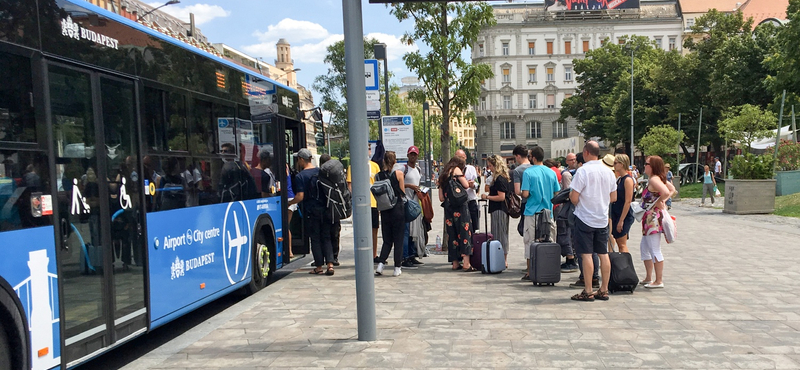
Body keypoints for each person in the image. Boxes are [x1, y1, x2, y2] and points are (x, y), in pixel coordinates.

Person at [569, 141, 617, 301]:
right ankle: (604, 289)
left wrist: (581, 203)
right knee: (603, 253)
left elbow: (574, 197)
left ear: (586, 152)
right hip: (602, 218)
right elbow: (614, 197)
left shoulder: (583, 172)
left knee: (587, 254)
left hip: (585, 217)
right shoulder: (609, 172)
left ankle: (588, 290)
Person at [290, 148, 335, 276]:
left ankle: (319, 267)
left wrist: (289, 203)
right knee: (326, 237)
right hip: (325, 209)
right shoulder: (320, 171)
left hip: (311, 211)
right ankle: (330, 265)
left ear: (300, 159)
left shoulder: (300, 176)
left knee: (315, 239)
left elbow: (300, 196)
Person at [520, 146, 560, 281]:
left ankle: (530, 271)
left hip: (532, 210)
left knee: (530, 241)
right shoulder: (551, 173)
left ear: (533, 157)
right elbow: (556, 193)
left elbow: (525, 193)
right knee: (549, 240)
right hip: (548, 212)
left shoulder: (528, 173)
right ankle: (549, 269)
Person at [640, 155, 676, 289]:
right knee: (645, 247)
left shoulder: (655, 179)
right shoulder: (656, 179)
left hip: (653, 218)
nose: (645, 166)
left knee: (654, 249)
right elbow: (671, 189)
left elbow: (667, 191)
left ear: (653, 166)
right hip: (650, 217)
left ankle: (658, 280)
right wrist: (661, 200)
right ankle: (649, 277)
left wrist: (659, 201)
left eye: (647, 164)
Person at [438, 156, 474, 271]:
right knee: (465, 231)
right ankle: (466, 263)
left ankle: (455, 263)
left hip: (448, 207)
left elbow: (441, 198)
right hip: (460, 206)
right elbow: (466, 185)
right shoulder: (456, 170)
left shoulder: (443, 175)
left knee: (452, 234)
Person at [347, 145, 382, 262]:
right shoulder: (353, 166)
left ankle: (374, 255)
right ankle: (361, 253)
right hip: (360, 203)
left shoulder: (375, 166)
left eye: (369, 148)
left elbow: (379, 184)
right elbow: (350, 185)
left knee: (374, 229)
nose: (368, 151)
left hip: (373, 202)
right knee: (360, 229)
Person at [375, 151, 407, 277]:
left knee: (387, 240)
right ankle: (397, 268)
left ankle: (381, 265)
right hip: (397, 209)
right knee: (398, 239)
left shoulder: (378, 175)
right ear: (395, 161)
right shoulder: (399, 173)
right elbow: (402, 193)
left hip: (384, 210)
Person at [481, 155, 511, 267]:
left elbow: (501, 197)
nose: (489, 168)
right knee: (500, 233)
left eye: (490, 166)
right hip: (498, 209)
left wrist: (487, 197)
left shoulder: (500, 179)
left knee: (500, 234)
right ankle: (501, 258)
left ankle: (503, 258)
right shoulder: (500, 177)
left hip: (499, 209)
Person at [399, 146, 426, 268]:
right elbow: (397, 185)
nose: (413, 156)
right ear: (408, 155)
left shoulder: (418, 170)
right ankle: (404, 257)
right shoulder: (403, 169)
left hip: (415, 203)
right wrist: (408, 185)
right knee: (405, 231)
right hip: (405, 203)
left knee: (413, 231)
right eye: (411, 154)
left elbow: (418, 184)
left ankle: (411, 255)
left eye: (415, 154)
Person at [319, 154, 341, 266]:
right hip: (336, 208)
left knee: (326, 235)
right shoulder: (337, 176)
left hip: (325, 210)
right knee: (335, 234)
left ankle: (328, 257)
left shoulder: (319, 176)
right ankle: (335, 257)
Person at [611, 154, 635, 253]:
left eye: (615, 163)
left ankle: (625, 265)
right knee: (618, 241)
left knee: (622, 243)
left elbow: (628, 201)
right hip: (617, 212)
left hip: (623, 214)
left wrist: (621, 220)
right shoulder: (620, 179)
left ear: (621, 164)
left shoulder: (627, 180)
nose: (614, 165)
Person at [456, 149, 479, 232]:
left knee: (474, 226)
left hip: (470, 200)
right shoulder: (453, 170)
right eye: (458, 158)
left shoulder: (471, 168)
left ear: (465, 157)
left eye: (461, 157)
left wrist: (473, 185)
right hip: (459, 202)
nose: (460, 160)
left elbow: (477, 183)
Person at [511, 145, 532, 236]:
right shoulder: (534, 167)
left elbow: (517, 191)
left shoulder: (517, 170)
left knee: (525, 230)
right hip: (538, 202)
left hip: (526, 203)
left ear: (518, 156)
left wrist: (525, 194)